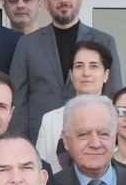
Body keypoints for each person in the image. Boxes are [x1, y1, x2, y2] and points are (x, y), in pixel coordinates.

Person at [9, 0, 121, 139]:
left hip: (91, 136)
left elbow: (114, 94)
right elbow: (18, 100)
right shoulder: (27, 44)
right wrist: (19, 141)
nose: (63, 0)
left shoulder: (104, 41)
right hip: (39, 137)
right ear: (46, 3)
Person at [35, 41, 113, 171]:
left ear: (106, 75)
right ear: (71, 75)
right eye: (79, 66)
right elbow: (40, 167)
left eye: (93, 66)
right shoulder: (50, 120)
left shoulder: (118, 118)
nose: (86, 73)